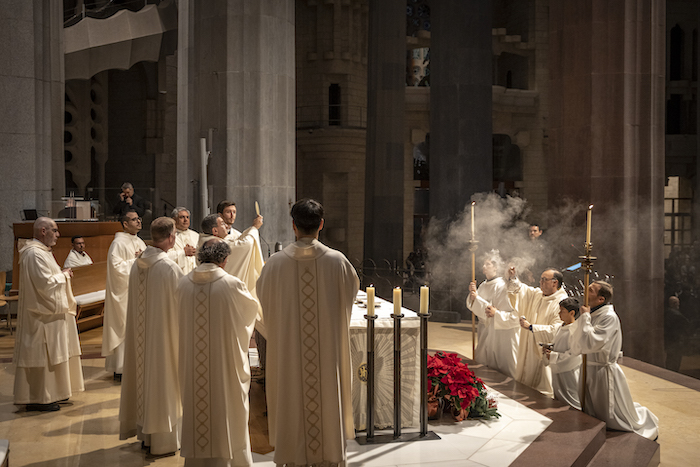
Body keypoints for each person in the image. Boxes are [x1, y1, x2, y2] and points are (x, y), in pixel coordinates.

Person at [257, 199, 359, 467]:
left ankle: (293, 455)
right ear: (321, 225)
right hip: (327, 356)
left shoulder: (275, 264)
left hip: (289, 357)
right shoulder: (338, 262)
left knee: (291, 399)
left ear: (293, 226)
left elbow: (265, 304)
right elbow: (348, 300)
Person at [178, 239, 261, 466]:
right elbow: (249, 314)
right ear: (224, 261)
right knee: (229, 408)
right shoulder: (232, 284)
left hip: (193, 365)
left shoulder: (183, 284)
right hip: (224, 364)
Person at [119, 217, 184, 455]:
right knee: (162, 381)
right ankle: (164, 441)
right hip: (164, 339)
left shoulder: (139, 263)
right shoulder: (168, 268)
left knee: (145, 379)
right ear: (170, 237)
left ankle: (147, 435)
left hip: (142, 340)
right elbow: (181, 305)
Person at [569, 281, 659, 440]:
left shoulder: (608, 317)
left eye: (590, 290)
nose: (585, 291)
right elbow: (578, 340)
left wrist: (584, 318)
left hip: (602, 369)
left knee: (610, 415)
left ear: (601, 299)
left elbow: (592, 343)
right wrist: (584, 318)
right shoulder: (592, 313)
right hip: (588, 366)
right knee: (591, 409)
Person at [14, 217, 84, 411]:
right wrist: (64, 275)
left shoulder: (43, 252)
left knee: (53, 355)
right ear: (43, 231)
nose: (58, 235)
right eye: (55, 230)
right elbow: (44, 284)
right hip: (41, 317)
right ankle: (39, 398)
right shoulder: (34, 254)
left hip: (48, 316)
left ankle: (54, 393)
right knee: (43, 357)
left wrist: (62, 274)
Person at [507, 267, 566, 395]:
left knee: (541, 387)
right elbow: (521, 290)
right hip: (528, 343)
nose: (541, 282)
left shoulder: (561, 302)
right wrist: (513, 277)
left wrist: (532, 328)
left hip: (542, 349)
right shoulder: (538, 294)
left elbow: (557, 329)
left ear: (555, 283)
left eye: (545, 280)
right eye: (541, 279)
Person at [102, 210, 147, 381]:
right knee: (124, 328)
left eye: (139, 218)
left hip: (138, 293)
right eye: (134, 219)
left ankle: (134, 366)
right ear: (125, 224)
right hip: (124, 294)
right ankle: (120, 368)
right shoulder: (118, 243)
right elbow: (117, 269)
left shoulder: (139, 241)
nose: (138, 222)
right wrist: (136, 261)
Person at [466, 251, 519, 379]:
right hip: (484, 327)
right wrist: (472, 295)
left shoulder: (501, 285)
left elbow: (493, 309)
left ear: (495, 267)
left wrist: (477, 298)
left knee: (497, 359)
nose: (484, 266)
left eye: (488, 264)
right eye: (484, 264)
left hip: (498, 328)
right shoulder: (483, 285)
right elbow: (473, 305)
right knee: (482, 358)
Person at [543, 297, 582, 410]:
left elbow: (574, 355)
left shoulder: (575, 330)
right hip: (559, 369)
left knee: (571, 399)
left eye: (562, 311)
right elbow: (559, 344)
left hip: (569, 372)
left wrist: (553, 356)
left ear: (572, 313)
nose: (559, 314)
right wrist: (549, 348)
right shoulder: (562, 327)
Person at [167, 207, 198, 274]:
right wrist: (183, 252)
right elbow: (166, 256)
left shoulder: (196, 235)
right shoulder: (169, 236)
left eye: (187, 217)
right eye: (182, 217)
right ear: (174, 220)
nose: (185, 220)